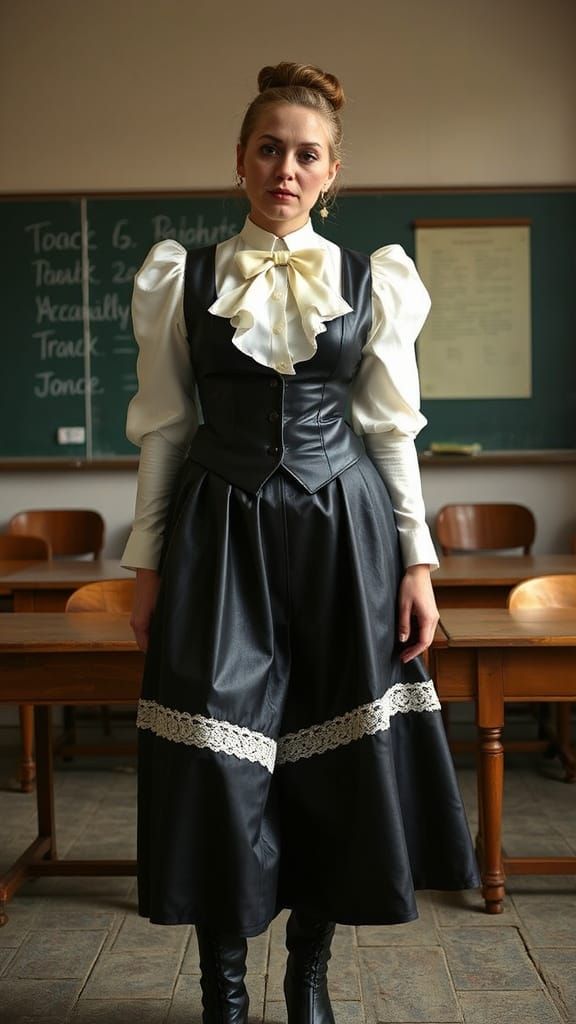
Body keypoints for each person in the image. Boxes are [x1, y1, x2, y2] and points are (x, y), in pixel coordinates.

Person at [122, 61, 479, 1024]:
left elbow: (393, 432)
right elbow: (163, 428)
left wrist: (418, 563)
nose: (287, 167)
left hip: (342, 531)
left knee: (334, 755)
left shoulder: (374, 283)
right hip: (218, 535)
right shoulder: (181, 277)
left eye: (306, 154)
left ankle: (309, 980)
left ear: (332, 172)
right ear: (239, 160)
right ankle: (223, 990)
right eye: (270, 148)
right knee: (214, 756)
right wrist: (145, 566)